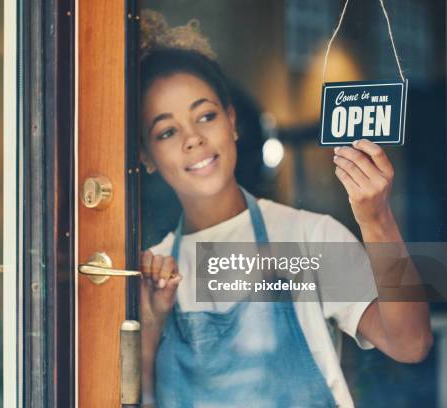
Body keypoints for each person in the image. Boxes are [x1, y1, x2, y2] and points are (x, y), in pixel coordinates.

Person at [138, 10, 432, 408]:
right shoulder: (151, 274)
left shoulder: (308, 237)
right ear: (147, 156)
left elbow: (411, 344)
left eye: (205, 115)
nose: (193, 139)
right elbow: (134, 396)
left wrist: (377, 219)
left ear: (232, 121)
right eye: (167, 131)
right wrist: (153, 319)